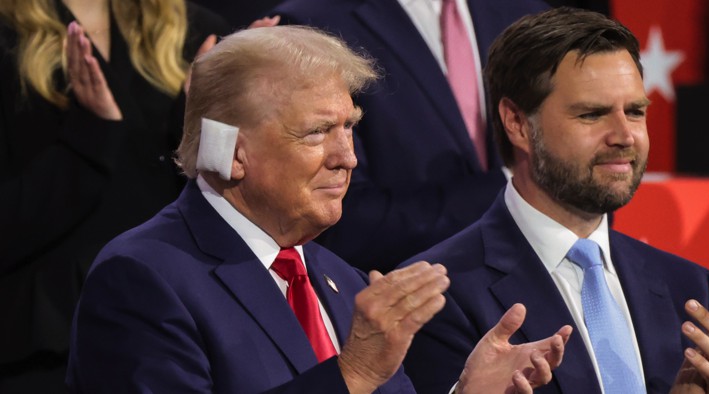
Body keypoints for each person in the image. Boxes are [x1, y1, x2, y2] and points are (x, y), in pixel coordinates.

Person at [66, 25, 572, 393]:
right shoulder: (142, 278)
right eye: (316, 132)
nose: (347, 157)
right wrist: (352, 373)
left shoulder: (342, 280)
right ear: (233, 152)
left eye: (349, 127)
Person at [400, 8, 709, 394]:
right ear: (517, 123)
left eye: (635, 112)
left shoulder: (688, 287)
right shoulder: (435, 296)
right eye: (592, 114)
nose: (624, 135)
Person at [0, 0, 232, 391]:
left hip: (178, 322)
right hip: (50, 342)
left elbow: (226, 189)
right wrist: (89, 137)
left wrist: (205, 123)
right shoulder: (9, 38)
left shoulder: (193, 29)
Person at [268, 0, 550, 272]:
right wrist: (513, 186)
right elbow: (344, 220)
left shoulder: (528, 11)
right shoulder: (311, 23)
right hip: (402, 298)